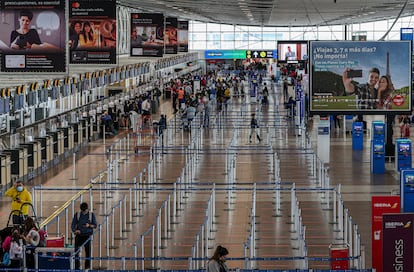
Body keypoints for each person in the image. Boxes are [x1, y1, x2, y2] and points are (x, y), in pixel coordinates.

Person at [71, 202, 97, 270]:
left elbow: (95, 225)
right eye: (82, 211)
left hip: (87, 236)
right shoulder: (78, 214)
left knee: (88, 252)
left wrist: (89, 225)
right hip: (79, 235)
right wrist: (75, 231)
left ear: (87, 209)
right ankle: (77, 267)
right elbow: (73, 224)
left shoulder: (91, 215)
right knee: (76, 251)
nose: (84, 212)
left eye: (85, 211)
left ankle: (87, 268)